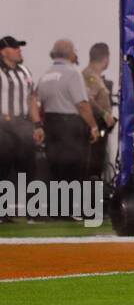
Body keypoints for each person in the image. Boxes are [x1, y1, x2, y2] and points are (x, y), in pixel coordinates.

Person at [34, 39, 99, 196]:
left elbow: (35, 102)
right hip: (71, 126)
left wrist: (38, 125)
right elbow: (82, 105)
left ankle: (57, 207)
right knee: (75, 167)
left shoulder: (46, 75)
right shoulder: (73, 73)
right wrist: (93, 126)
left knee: (56, 167)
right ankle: (73, 207)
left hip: (51, 124)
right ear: (70, 54)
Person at [0, 36, 41, 211]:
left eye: (19, 47)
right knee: (3, 167)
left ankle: (33, 210)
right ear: (3, 51)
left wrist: (38, 124)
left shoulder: (25, 72)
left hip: (23, 124)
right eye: (15, 47)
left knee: (29, 167)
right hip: (3, 125)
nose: (19, 50)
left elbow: (32, 99)